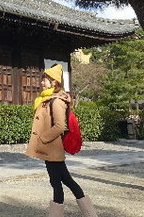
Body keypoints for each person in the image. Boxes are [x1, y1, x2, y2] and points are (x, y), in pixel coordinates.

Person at [25, 64, 99, 217]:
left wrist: (43, 138)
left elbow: (60, 126)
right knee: (59, 182)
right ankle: (88, 214)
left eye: (45, 80)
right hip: (48, 148)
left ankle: (89, 214)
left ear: (54, 82)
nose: (42, 82)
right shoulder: (46, 99)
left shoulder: (56, 101)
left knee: (63, 182)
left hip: (52, 148)